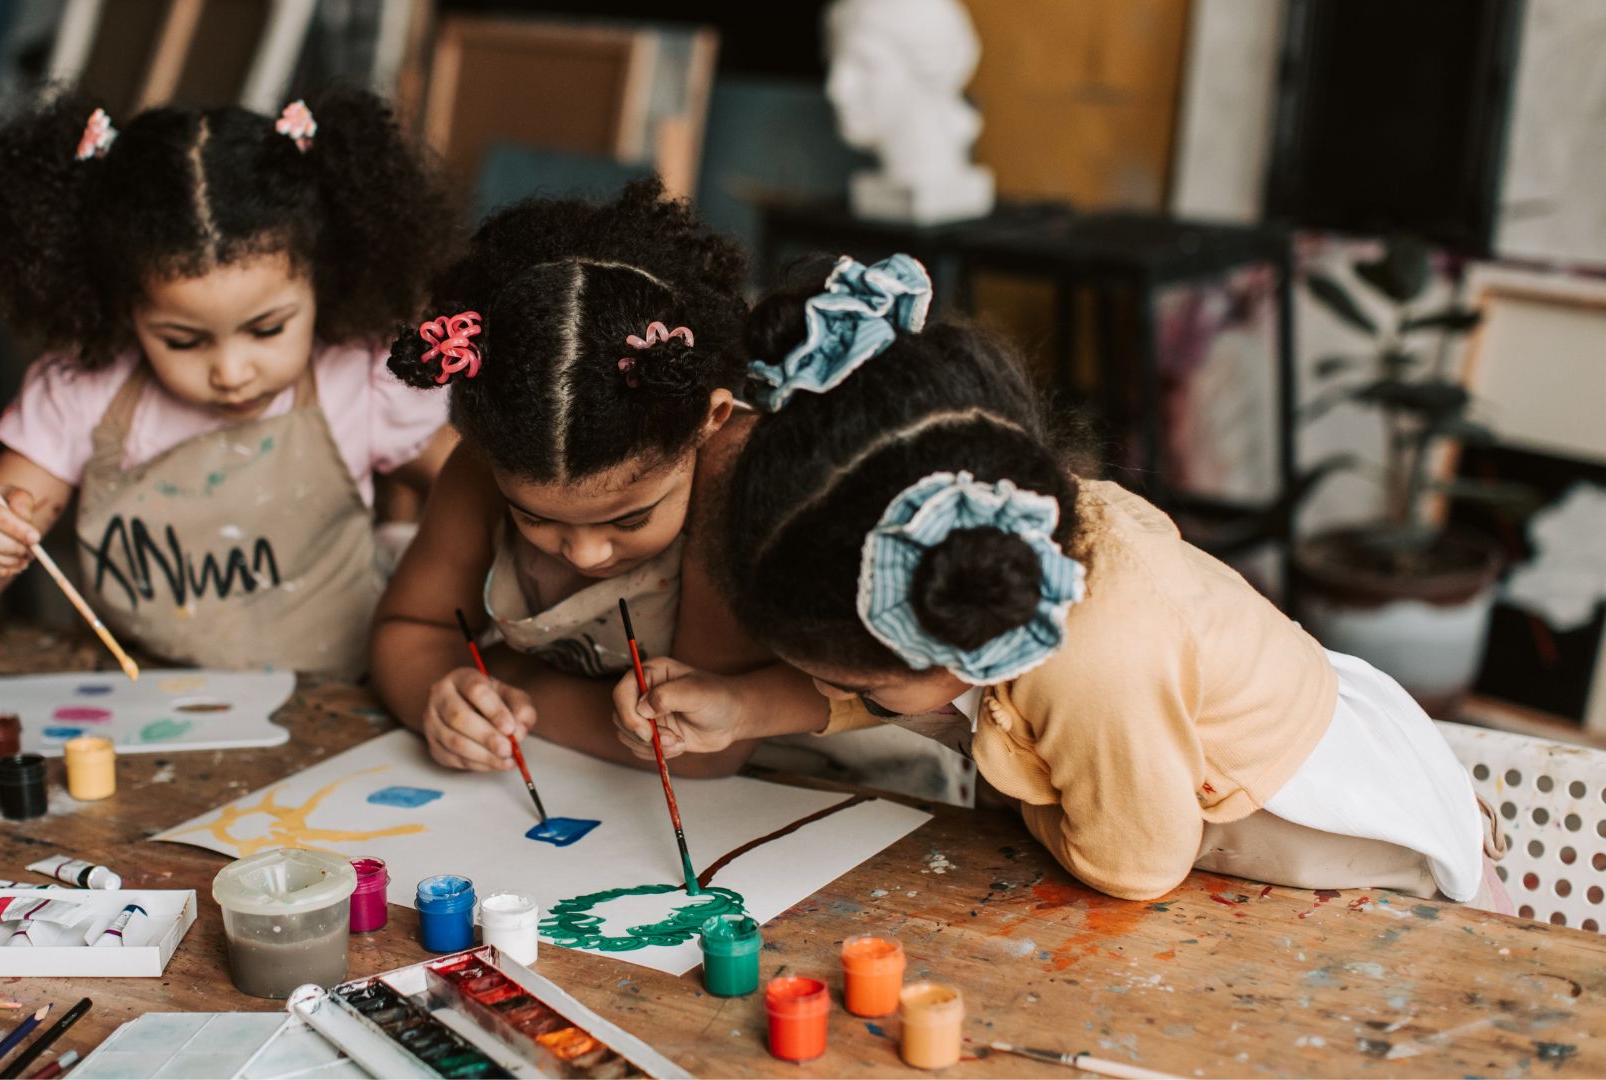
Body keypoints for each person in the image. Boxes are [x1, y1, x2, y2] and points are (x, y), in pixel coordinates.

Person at [617, 253, 1504, 908]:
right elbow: (907, 690)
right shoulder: (1006, 533)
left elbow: (1136, 864)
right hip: (1176, 795)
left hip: (1339, 857)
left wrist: (1017, 793)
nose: (847, 696)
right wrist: (742, 709)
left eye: (863, 687)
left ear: (956, 628)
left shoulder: (1095, 662)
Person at [0, 90, 454, 677]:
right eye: (183, 340)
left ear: (323, 283)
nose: (231, 372)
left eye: (267, 329)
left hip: (336, 704)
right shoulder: (82, 394)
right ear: (125, 310)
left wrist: (429, 568)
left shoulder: (358, 378)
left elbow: (471, 487)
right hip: (140, 706)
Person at [370, 180, 832, 776]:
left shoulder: (733, 480)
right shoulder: (486, 468)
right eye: (534, 516)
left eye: (630, 517)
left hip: (794, 782)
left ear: (710, 420)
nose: (586, 553)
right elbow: (408, 629)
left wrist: (513, 677)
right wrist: (440, 697)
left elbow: (700, 755)